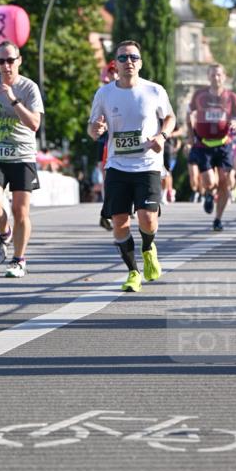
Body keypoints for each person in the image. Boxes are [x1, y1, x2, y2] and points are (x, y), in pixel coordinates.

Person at [88, 39, 175, 292]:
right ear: (115, 64)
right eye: (123, 58)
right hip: (117, 165)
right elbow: (92, 128)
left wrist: (162, 136)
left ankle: (148, 247)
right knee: (119, 222)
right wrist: (96, 129)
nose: (129, 62)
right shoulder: (104, 93)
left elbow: (170, 117)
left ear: (140, 63)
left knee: (147, 219)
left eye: (133, 58)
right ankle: (133, 272)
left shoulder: (154, 91)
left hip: (147, 164)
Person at [0, 42, 44, 279]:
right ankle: (4, 233)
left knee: (20, 210)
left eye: (10, 60)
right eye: (1, 61)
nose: (6, 66)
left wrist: (14, 100)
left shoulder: (29, 88)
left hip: (22, 155)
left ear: (19, 60)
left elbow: (35, 124)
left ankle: (19, 259)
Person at [187, 64, 236, 232]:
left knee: (225, 182)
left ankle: (218, 219)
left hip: (224, 144)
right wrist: (190, 135)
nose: (215, 78)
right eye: (212, 75)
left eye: (218, 75)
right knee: (210, 182)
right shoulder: (199, 95)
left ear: (224, 77)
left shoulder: (231, 97)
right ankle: (209, 194)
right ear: (208, 76)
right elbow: (189, 113)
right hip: (203, 144)